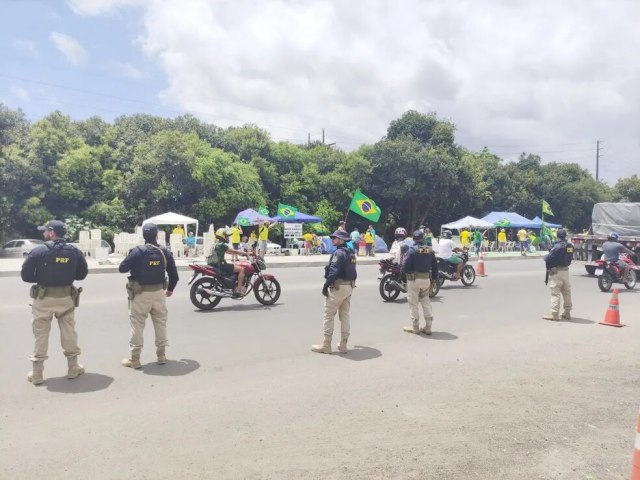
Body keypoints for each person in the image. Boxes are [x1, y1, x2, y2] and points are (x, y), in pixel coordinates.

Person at [21, 220, 88, 386]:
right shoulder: (75, 251)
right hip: (66, 299)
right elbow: (81, 274)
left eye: (45, 231)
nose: (44, 234)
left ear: (51, 232)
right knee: (69, 332)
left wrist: (42, 278)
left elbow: (26, 276)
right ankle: (73, 368)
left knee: (40, 334)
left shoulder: (39, 251)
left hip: (43, 299)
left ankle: (37, 374)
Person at [119, 223, 179, 369]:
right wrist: (170, 290)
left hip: (140, 294)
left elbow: (122, 268)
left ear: (143, 236)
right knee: (160, 324)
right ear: (157, 235)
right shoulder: (164, 251)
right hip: (159, 293)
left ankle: (135, 359)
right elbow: (174, 275)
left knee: (137, 325)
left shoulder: (138, 251)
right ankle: (161, 355)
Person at [311, 230, 357, 354]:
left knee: (329, 315)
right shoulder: (351, 253)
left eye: (335, 238)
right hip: (349, 287)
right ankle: (343, 344)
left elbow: (333, 271)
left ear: (341, 240)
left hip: (338, 287)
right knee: (345, 316)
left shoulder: (339, 253)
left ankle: (326, 345)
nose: (332, 239)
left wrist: (325, 286)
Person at [402, 230, 439, 335]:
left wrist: (404, 275)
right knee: (426, 302)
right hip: (426, 280)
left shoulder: (412, 250)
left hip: (414, 281)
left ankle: (415, 327)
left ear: (413, 239)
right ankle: (428, 327)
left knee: (413, 303)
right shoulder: (430, 251)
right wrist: (435, 279)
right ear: (422, 239)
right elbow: (435, 267)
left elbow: (404, 267)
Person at [542, 228, 574, 321]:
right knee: (566, 292)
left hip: (557, 271)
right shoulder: (570, 246)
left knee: (555, 294)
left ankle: (555, 315)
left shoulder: (557, 246)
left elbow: (549, 258)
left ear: (557, 236)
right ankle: (567, 313)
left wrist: (545, 257)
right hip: (566, 271)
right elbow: (570, 258)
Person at [209, 228, 250, 294]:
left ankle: (233, 283)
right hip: (220, 265)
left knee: (237, 265)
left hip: (215, 264)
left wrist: (242, 255)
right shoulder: (222, 245)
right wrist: (246, 253)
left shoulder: (216, 244)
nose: (228, 238)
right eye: (227, 236)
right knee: (241, 269)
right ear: (222, 236)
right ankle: (239, 289)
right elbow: (234, 251)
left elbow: (230, 252)